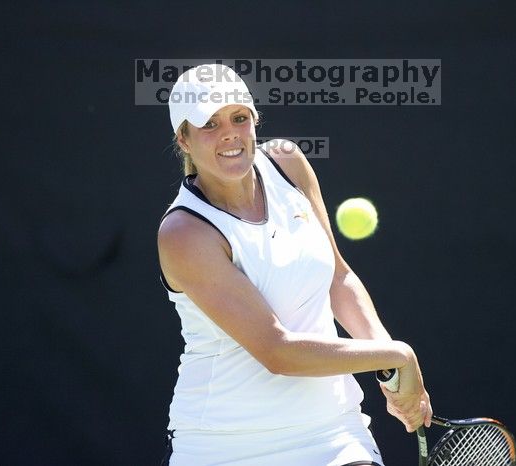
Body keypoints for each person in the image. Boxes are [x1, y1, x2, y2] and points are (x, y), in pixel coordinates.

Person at [157, 63, 432, 466]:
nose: (230, 133)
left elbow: (338, 278)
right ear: (183, 138)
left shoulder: (288, 163)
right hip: (224, 448)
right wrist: (396, 356)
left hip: (333, 434)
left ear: (254, 121)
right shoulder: (184, 233)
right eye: (209, 124)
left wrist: (391, 367)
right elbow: (278, 351)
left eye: (239, 117)